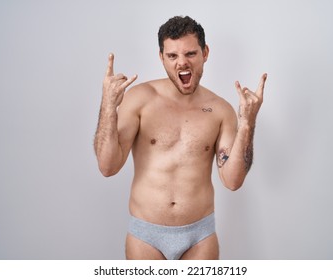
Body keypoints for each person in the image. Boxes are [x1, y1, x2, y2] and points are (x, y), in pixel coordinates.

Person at [94, 16, 267, 260]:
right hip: (146, 236)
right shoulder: (140, 99)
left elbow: (233, 180)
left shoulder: (220, 110)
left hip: (199, 237)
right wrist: (108, 107)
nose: (182, 63)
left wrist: (248, 123)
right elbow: (107, 166)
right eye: (172, 56)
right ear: (161, 57)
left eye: (190, 54)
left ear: (205, 52)